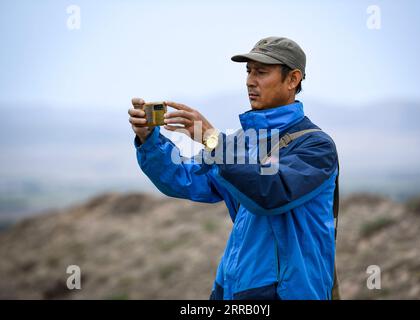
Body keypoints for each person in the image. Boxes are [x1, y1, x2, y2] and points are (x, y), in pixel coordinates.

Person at [128, 36, 339, 300]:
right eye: (248, 71)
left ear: (293, 79)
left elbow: (270, 193)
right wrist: (149, 140)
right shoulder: (242, 142)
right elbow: (185, 178)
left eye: (261, 72)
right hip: (232, 290)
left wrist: (212, 140)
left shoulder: (315, 147)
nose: (250, 81)